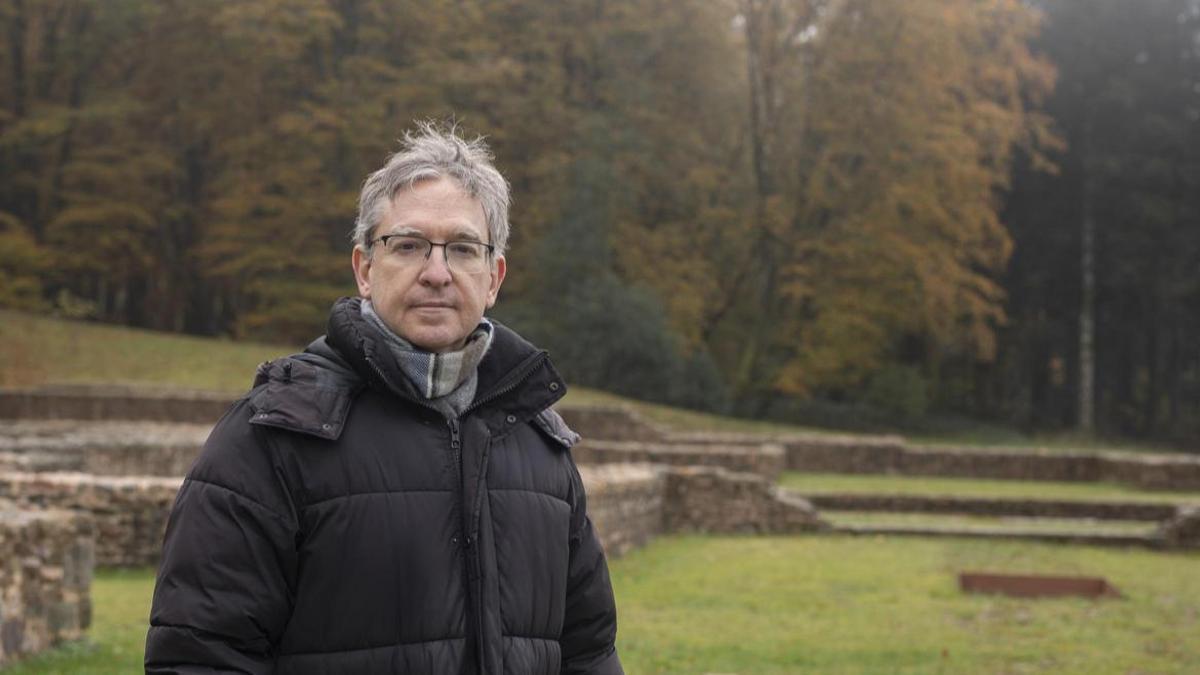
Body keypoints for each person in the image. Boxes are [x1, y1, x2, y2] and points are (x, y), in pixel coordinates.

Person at [145, 122, 623, 674]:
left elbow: (589, 653)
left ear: (493, 278)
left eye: (463, 248)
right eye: (409, 245)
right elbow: (201, 656)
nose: (436, 273)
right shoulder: (274, 434)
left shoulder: (540, 444)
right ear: (365, 269)